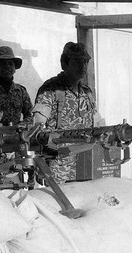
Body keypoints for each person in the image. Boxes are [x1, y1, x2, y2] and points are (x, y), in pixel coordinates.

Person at [31, 42, 97, 183]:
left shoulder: (87, 92)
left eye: (85, 62)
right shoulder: (51, 89)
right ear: (64, 63)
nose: (83, 66)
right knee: (60, 203)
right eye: (77, 62)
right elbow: (38, 127)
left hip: (86, 162)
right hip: (60, 166)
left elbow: (95, 123)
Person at [0, 46, 32, 126]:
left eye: (10, 64)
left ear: (15, 69)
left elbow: (30, 114)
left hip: (15, 136)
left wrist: (22, 125)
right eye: (3, 64)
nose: (7, 66)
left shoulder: (21, 91)